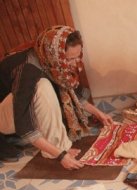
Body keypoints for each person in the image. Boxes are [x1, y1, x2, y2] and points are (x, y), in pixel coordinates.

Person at [0, 25, 113, 170]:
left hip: (17, 109)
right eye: (70, 59)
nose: (74, 63)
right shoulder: (28, 70)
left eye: (77, 56)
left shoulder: (47, 57)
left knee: (53, 85)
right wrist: (60, 154)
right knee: (43, 86)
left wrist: (99, 114)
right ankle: (56, 149)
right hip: (5, 119)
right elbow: (22, 123)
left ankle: (59, 146)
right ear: (56, 55)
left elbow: (72, 92)